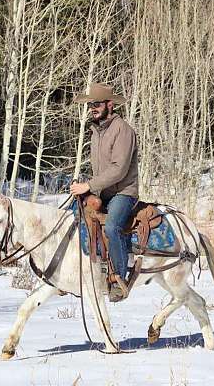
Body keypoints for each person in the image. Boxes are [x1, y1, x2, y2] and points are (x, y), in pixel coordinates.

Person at [70, 83, 139, 302]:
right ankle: (84, 270)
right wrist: (85, 187)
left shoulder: (123, 130)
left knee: (111, 226)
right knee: (79, 215)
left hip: (124, 192)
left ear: (110, 104)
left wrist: (88, 186)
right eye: (91, 104)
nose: (93, 107)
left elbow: (119, 170)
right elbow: (99, 169)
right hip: (104, 190)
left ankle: (119, 277)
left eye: (97, 103)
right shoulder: (96, 131)